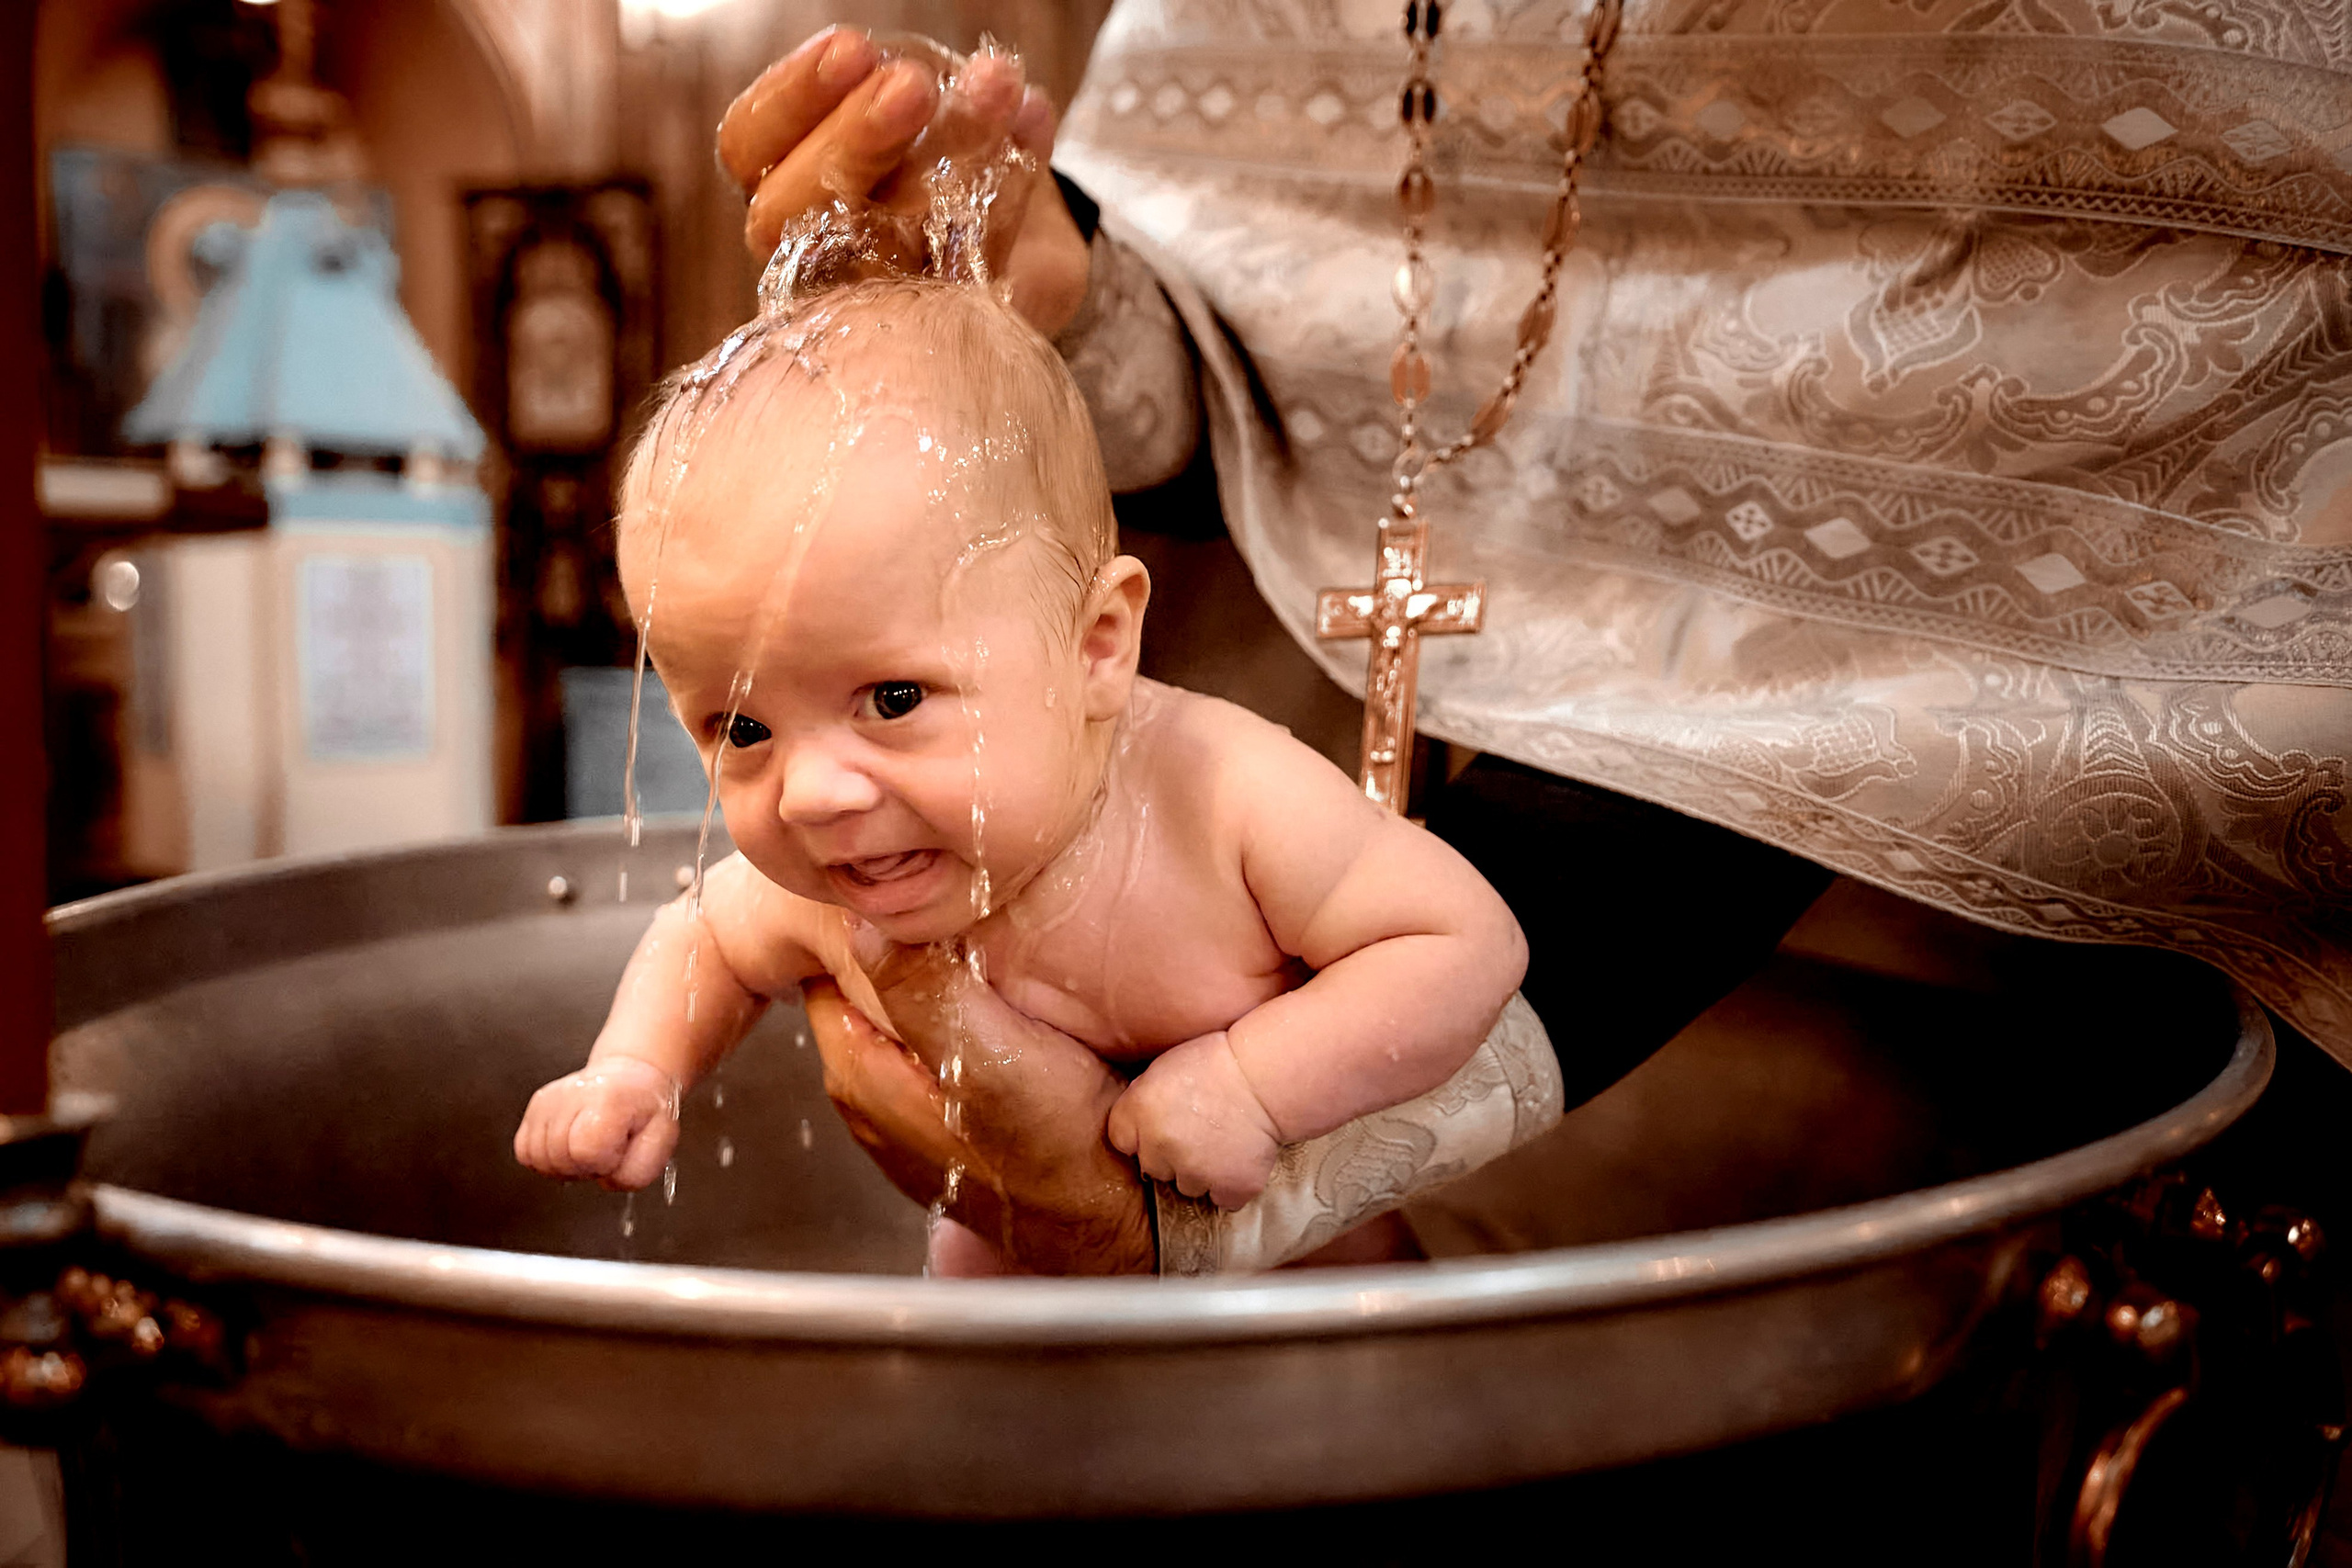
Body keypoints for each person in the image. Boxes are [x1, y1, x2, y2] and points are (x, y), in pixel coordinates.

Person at [710, 6, 2352, 1274]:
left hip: (2039, 1037)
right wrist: (1061, 294)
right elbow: (1262, 370)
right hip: (1389, 1001)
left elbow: (2076, 462)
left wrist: (1252, 1143)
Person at [512, 276, 1561, 1275]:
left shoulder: (1223, 798)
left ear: (1097, 646)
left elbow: (1463, 944)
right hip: (1021, 1306)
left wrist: (1253, 1087)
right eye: (741, 727)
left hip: (1307, 1299)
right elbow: (705, 938)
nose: (810, 795)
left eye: (892, 700)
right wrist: (635, 1068)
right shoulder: (838, 872)